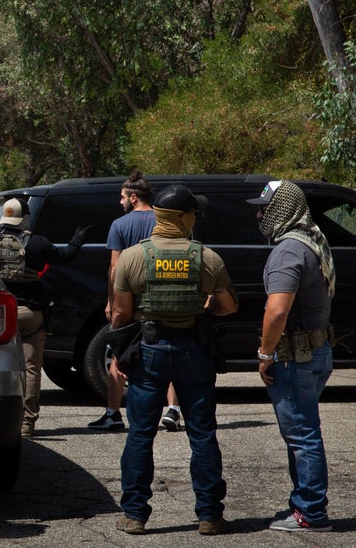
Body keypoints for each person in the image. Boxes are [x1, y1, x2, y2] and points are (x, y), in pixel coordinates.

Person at [111, 185, 238, 536]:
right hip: (194, 352)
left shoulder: (133, 258)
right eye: (193, 212)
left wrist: (117, 354)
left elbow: (120, 315)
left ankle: (135, 515)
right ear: (182, 218)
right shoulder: (207, 258)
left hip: (148, 353)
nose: (196, 216)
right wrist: (206, 304)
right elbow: (229, 307)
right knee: (202, 434)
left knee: (140, 434)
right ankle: (210, 516)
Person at [249, 180, 336, 532]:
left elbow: (277, 310)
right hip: (317, 351)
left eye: (264, 208)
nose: (259, 214)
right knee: (304, 433)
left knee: (302, 436)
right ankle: (304, 504)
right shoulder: (314, 241)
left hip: (294, 358)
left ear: (282, 209)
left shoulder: (287, 250)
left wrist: (265, 353)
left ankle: (311, 513)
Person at [0, 198, 88, 438]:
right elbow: (65, 256)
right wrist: (77, 238)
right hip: (30, 314)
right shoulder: (37, 244)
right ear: (24, 219)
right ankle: (27, 423)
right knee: (31, 368)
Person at [91, 171, 183, 432]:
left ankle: (113, 413)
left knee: (119, 354)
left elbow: (114, 266)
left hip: (130, 299)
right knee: (168, 351)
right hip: (163, 298)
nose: (120, 202)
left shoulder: (120, 225)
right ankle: (173, 411)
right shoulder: (164, 220)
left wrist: (111, 301)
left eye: (122, 197)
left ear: (133, 197)